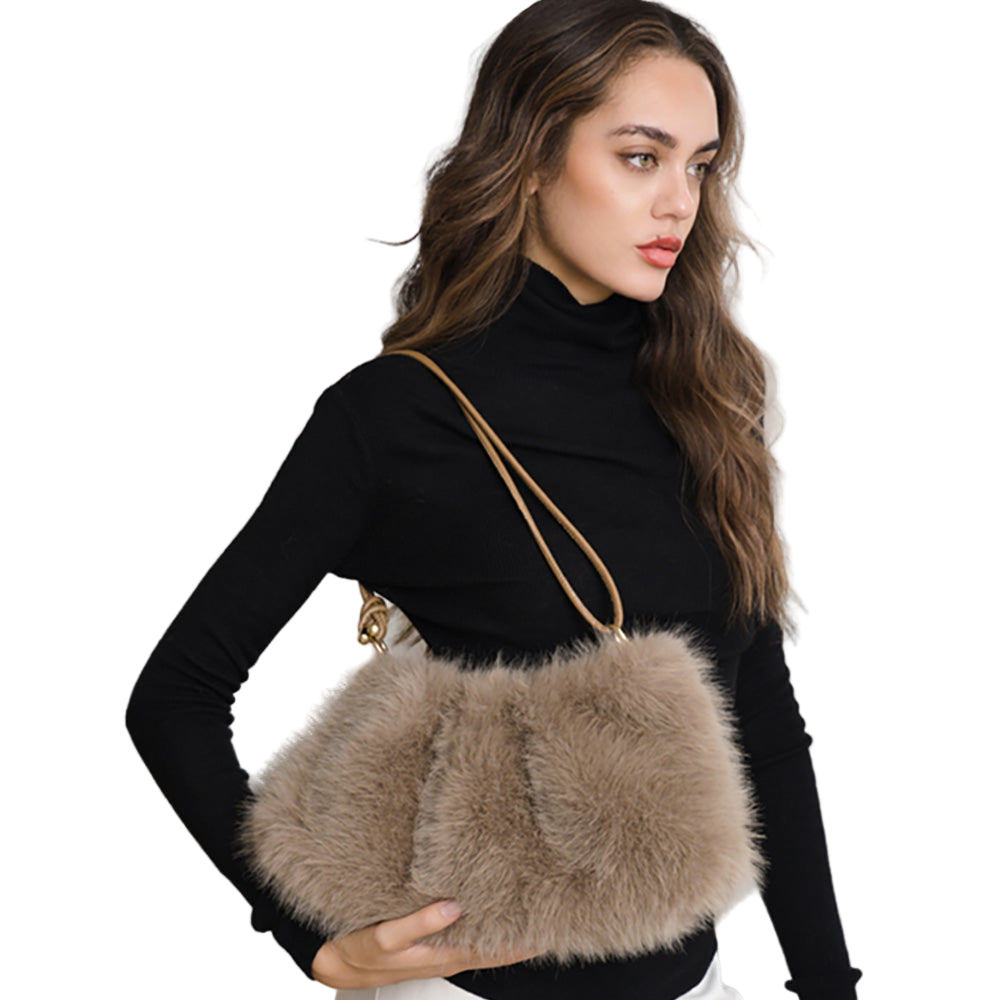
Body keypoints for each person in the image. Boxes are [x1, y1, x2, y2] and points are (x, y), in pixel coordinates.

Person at [126, 1, 863, 998]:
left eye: (699, 165)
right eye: (639, 157)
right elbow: (175, 694)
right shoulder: (398, 416)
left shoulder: (712, 396)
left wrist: (828, 985)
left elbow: (762, 721)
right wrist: (310, 938)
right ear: (529, 160)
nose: (678, 203)